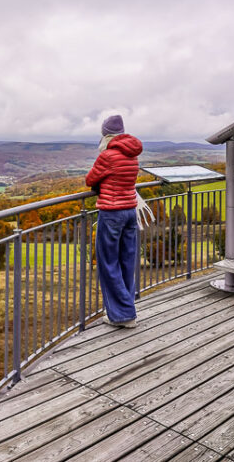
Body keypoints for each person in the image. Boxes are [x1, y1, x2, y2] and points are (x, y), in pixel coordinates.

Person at [85, 114, 143, 328]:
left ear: (105, 135)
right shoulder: (132, 154)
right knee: (127, 261)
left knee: (108, 263)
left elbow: (90, 179)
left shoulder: (108, 155)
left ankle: (123, 315)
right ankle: (125, 309)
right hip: (130, 210)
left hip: (111, 213)